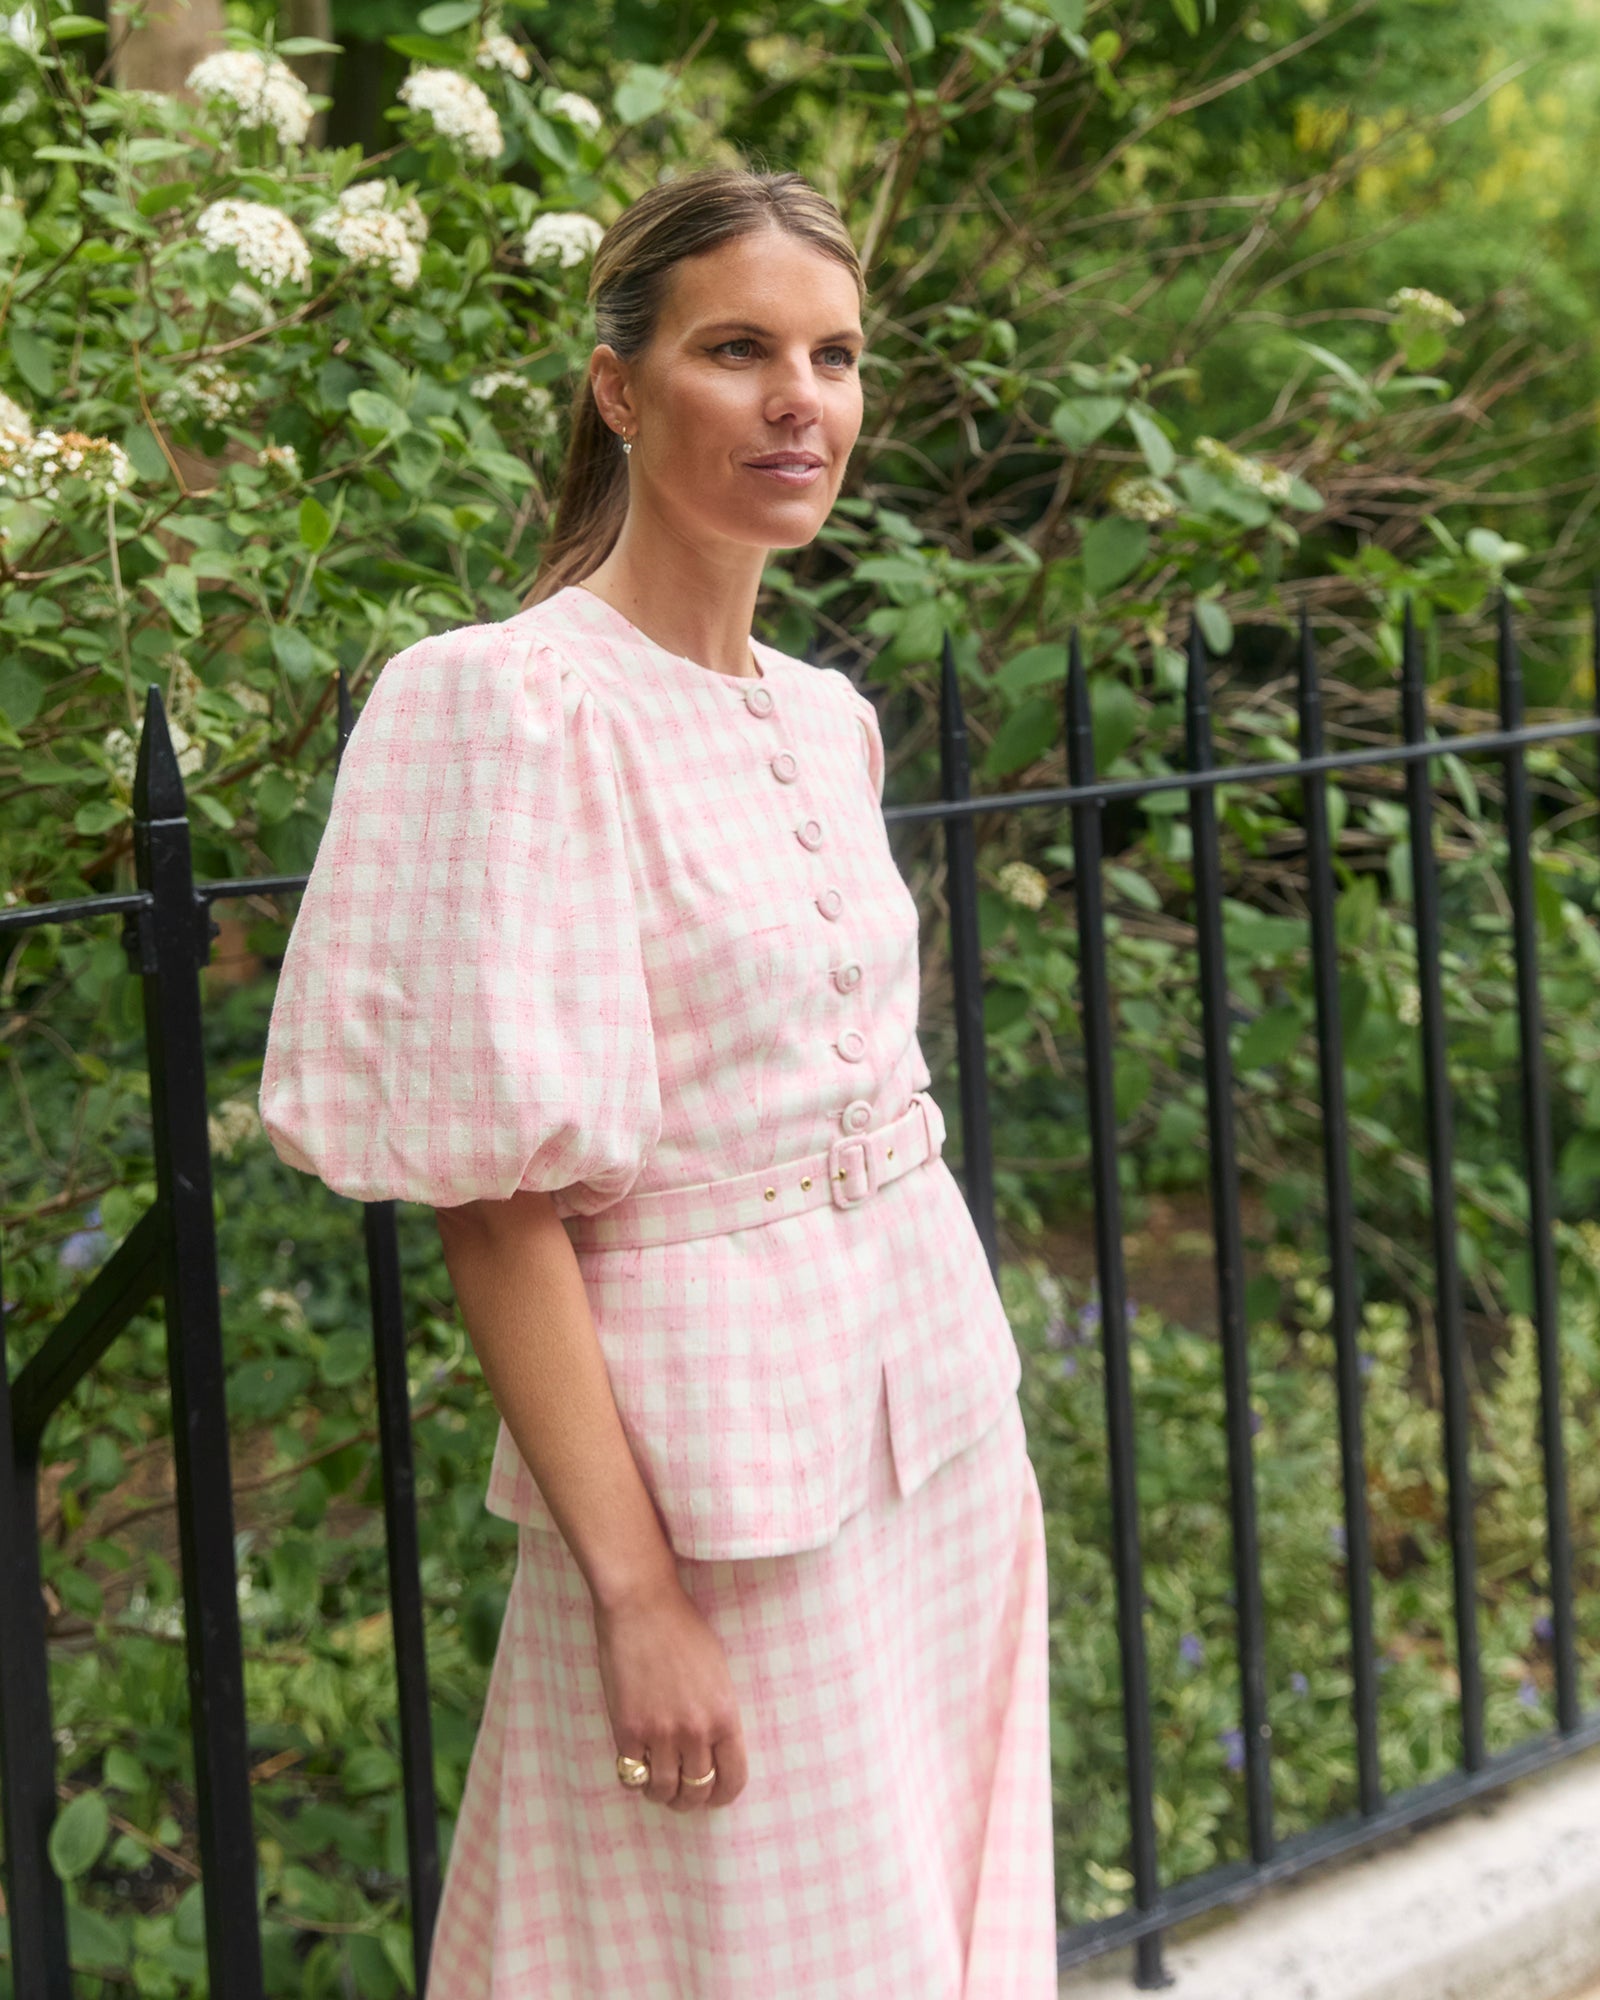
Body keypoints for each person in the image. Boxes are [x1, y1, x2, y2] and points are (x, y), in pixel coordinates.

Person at [258, 164, 1057, 1997]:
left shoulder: (829, 715)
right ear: (620, 388)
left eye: (835, 356)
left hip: (939, 1434)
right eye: (738, 349)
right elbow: (498, 1205)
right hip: (712, 1494)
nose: (801, 401)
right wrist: (634, 1592)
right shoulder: (504, 701)